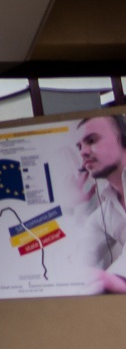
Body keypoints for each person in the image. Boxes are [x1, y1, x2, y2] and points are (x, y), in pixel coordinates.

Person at [74, 115, 126, 293]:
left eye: (92, 140)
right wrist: (76, 205)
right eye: (79, 146)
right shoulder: (107, 210)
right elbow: (79, 258)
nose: (83, 152)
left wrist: (111, 279)